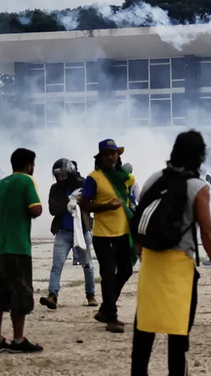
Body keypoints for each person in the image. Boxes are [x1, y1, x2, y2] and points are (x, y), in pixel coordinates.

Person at [131, 130, 211, 376]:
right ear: (200, 156)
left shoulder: (153, 179)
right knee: (178, 329)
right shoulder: (197, 187)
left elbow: (141, 218)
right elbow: (207, 230)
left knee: (144, 326)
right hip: (179, 265)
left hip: (151, 261)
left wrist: (141, 251)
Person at [0, 148, 43, 354]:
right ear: (29, 166)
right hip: (18, 249)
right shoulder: (27, 181)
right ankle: (18, 340)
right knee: (20, 294)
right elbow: (36, 209)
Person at [80, 139, 135, 333]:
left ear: (118, 156)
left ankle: (105, 309)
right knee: (108, 275)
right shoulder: (93, 178)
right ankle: (112, 318)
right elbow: (84, 204)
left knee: (126, 270)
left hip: (123, 232)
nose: (111, 157)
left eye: (114, 153)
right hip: (103, 234)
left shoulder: (124, 177)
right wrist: (105, 207)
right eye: (107, 154)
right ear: (101, 157)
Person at [40, 159, 97, 310]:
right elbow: (53, 208)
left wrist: (79, 199)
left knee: (88, 265)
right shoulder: (55, 189)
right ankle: (52, 296)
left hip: (82, 230)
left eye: (63, 174)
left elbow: (91, 202)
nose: (61, 178)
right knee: (56, 265)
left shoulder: (83, 184)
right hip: (63, 233)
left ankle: (90, 294)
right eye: (58, 175)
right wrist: (68, 202)